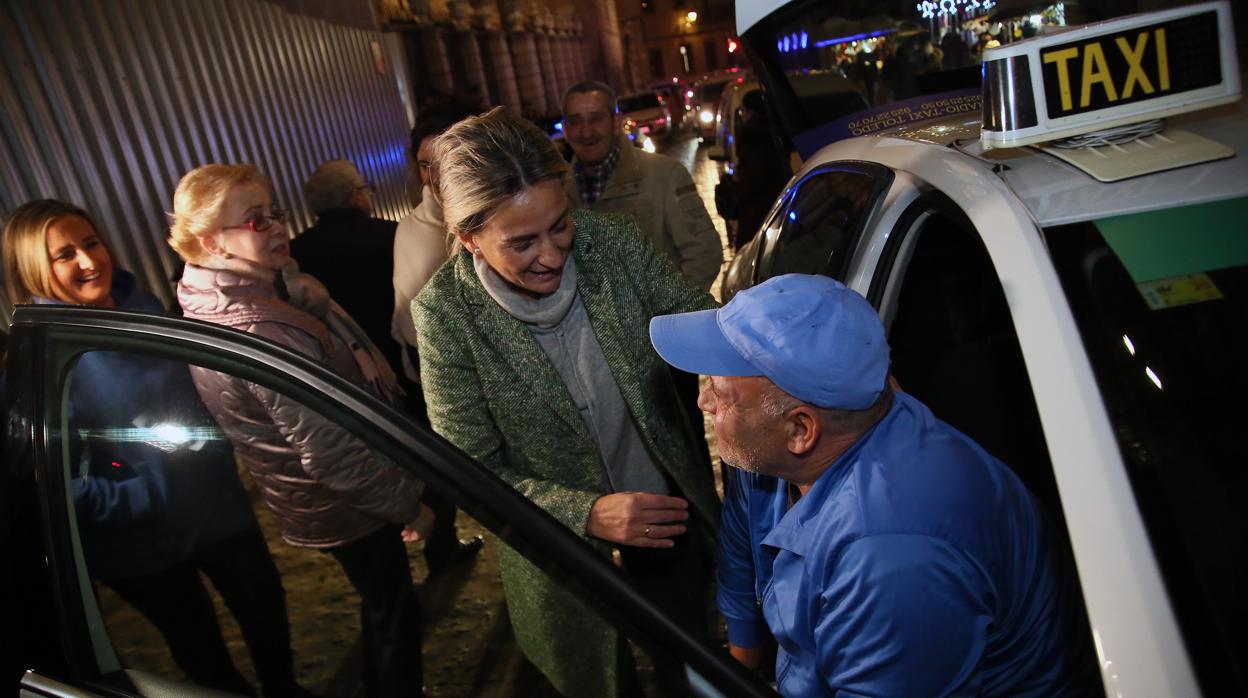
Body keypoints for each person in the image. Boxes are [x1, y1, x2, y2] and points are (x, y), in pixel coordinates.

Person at [649, 274, 1099, 696]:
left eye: (721, 395)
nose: (702, 401)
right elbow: (740, 538)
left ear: (800, 431)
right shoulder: (778, 453)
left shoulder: (890, 559)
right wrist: (741, 659)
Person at [412, 108, 720, 698]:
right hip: (554, 555)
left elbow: (699, 322)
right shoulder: (445, 316)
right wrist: (584, 513)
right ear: (468, 236)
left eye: (560, 226)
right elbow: (469, 470)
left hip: (664, 520)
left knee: (694, 671)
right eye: (522, 242)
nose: (552, 255)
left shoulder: (614, 244)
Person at [2, 199, 306, 698]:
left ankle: (284, 688)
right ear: (31, 267)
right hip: (140, 549)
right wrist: (141, 497)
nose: (87, 261)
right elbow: (46, 479)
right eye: (63, 255)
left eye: (91, 243)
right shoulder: (40, 359)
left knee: (265, 608)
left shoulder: (142, 307)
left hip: (216, 510)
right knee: (198, 647)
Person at [168, 164, 431, 698]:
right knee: (394, 617)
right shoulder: (257, 325)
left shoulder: (253, 295)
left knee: (382, 604)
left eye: (275, 213)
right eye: (254, 221)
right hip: (340, 500)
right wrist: (406, 504)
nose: (276, 227)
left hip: (320, 496)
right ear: (208, 242)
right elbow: (332, 450)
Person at [562, 80, 720, 479]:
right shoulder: (557, 191)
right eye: (575, 121)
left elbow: (704, 252)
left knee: (685, 463)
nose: (586, 131)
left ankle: (707, 538)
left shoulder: (662, 175)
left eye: (595, 118)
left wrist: (662, 321)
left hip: (661, 355)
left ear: (616, 121)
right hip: (595, 359)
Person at [391, 97, 486, 574]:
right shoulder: (414, 230)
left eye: (442, 161)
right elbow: (412, 323)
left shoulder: (499, 205)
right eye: (424, 164)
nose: (432, 175)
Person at [291, 159, 402, 375]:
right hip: (398, 354)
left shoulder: (296, 251)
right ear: (356, 196)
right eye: (365, 188)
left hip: (342, 368)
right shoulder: (392, 235)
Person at [731, 90, 790, 250]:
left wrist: (735, 186)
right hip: (782, 206)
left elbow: (751, 182)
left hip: (757, 214)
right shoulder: (779, 132)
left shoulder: (751, 137)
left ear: (750, 111)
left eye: (743, 110)